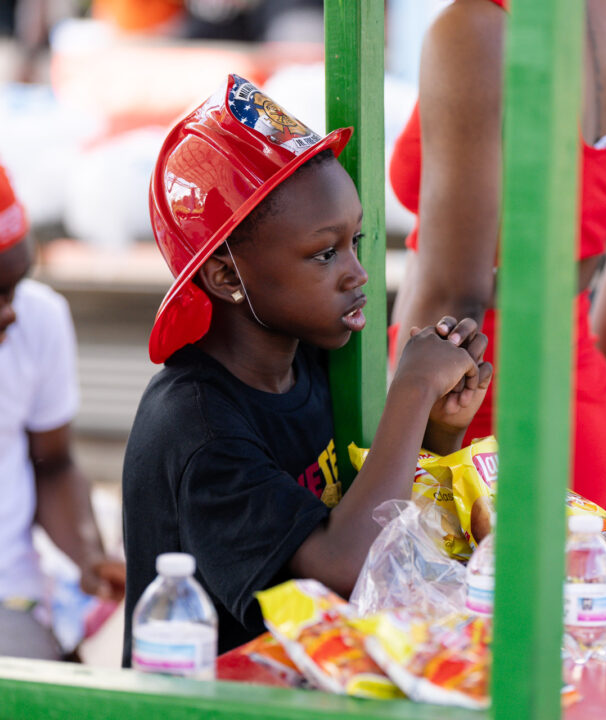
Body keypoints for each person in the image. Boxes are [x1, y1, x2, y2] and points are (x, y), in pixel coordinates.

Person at [121, 75, 493, 664]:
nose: (358, 273)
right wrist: (413, 389)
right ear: (224, 277)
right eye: (325, 254)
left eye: (357, 241)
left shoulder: (315, 360)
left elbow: (384, 523)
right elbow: (343, 571)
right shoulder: (197, 427)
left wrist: (439, 427)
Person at [388, 0, 606, 516]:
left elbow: (455, 291)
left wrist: (385, 449)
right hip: (589, 422)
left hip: (478, 441)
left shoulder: (475, 30)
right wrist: (575, 407)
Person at [0, 164, 125, 660]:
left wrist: (88, 555)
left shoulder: (38, 319)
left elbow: (53, 464)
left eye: (14, 286)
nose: (10, 310)